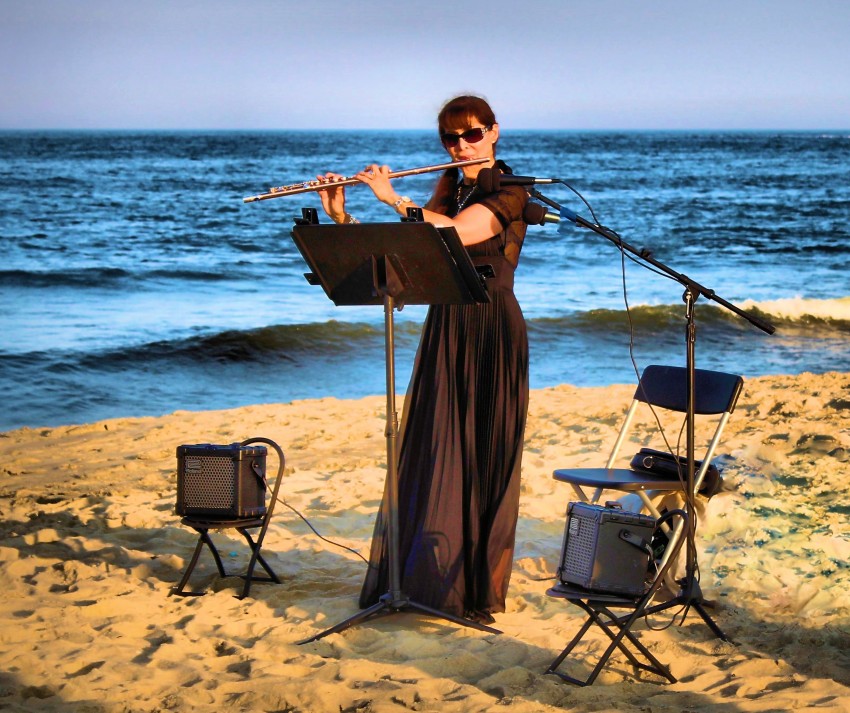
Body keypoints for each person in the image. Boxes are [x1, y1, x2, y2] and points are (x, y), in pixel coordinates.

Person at [316, 95, 529, 624]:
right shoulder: (448, 190)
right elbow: (407, 259)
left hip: (490, 326)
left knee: (479, 450)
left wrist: (393, 198)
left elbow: (462, 232)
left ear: (494, 132)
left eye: (471, 134)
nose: (460, 146)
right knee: (440, 443)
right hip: (448, 323)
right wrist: (343, 217)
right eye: (450, 138)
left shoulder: (512, 190)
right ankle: (426, 581)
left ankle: (472, 588)